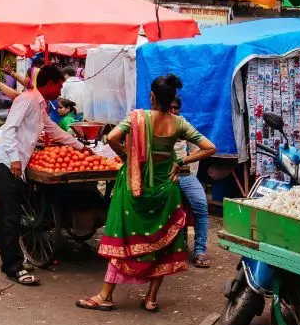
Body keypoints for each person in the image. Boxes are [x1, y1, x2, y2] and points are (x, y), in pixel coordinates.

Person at [78, 75, 216, 312]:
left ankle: (106, 295)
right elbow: (209, 147)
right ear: (172, 99)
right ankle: (151, 299)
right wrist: (181, 161)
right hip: (165, 190)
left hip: (135, 186)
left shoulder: (136, 117)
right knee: (161, 243)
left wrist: (127, 157)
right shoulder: (179, 123)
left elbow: (112, 138)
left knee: (125, 239)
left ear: (152, 96)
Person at [0, 66, 87, 286]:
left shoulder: (41, 103)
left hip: (17, 163)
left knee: (13, 215)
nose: (60, 91)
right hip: (7, 163)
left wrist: (79, 147)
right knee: (10, 216)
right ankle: (13, 267)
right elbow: (10, 129)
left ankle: (13, 261)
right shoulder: (26, 99)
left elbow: (51, 129)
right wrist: (14, 158)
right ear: (50, 84)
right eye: (59, 86)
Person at [170, 96, 213, 268]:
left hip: (185, 174)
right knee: (171, 211)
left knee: (201, 205)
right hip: (164, 176)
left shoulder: (183, 124)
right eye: (170, 107)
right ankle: (177, 248)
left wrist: (188, 168)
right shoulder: (157, 124)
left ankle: (200, 250)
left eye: (176, 108)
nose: (173, 111)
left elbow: (199, 148)